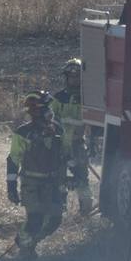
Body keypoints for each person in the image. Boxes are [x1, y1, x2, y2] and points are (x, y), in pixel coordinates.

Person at [7, 92, 66, 260]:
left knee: (54, 220)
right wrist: (11, 188)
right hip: (31, 184)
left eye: (49, 108)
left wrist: (67, 180)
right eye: (44, 108)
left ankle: (27, 241)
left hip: (53, 182)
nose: (49, 112)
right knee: (35, 219)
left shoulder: (58, 130)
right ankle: (25, 252)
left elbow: (64, 157)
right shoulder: (23, 133)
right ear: (34, 111)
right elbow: (12, 161)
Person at [50, 57, 92, 214]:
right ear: (66, 77)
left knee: (82, 179)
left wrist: (92, 144)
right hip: (58, 145)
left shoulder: (88, 99)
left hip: (77, 144)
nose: (74, 80)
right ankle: (59, 212)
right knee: (57, 179)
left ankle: (85, 212)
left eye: (77, 77)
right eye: (71, 76)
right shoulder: (58, 98)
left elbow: (93, 125)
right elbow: (48, 118)